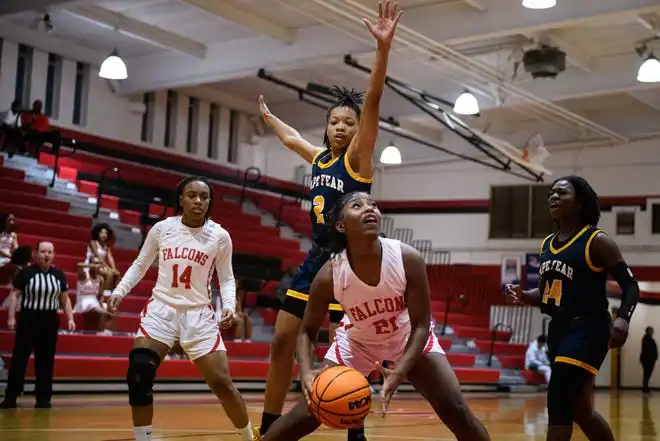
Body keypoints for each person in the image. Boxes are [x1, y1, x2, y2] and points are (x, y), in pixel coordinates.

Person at [256, 2, 402, 439]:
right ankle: (269, 425)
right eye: (334, 122)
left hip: (351, 262)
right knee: (282, 339)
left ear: (358, 130)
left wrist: (383, 51)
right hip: (316, 258)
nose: (341, 127)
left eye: (348, 123)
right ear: (327, 127)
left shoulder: (358, 161)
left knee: (349, 355)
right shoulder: (319, 157)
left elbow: (373, 98)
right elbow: (291, 138)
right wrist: (269, 118)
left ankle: (354, 430)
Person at [261, 192, 491, 441]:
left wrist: (399, 371)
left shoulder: (407, 258)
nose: (369, 209)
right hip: (357, 343)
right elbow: (307, 331)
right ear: (341, 225)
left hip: (406, 338)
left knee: (455, 411)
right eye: (357, 206)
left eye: (373, 205)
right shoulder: (329, 274)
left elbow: (422, 325)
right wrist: (306, 372)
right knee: (306, 414)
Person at [107, 176, 254, 441]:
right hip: (161, 310)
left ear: (210, 202)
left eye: (204, 197)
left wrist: (230, 306)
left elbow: (227, 278)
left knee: (222, 384)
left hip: (199, 315)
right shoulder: (162, 229)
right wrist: (119, 291)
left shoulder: (220, 236)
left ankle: (247, 436)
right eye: (192, 195)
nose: (198, 201)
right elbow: (141, 264)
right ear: (181, 199)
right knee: (139, 373)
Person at [505, 175, 640, 441]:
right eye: (551, 193)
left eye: (562, 193)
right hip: (560, 329)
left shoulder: (596, 241)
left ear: (579, 202)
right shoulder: (547, 245)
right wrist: (524, 295)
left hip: (589, 326)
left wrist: (623, 319)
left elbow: (631, 286)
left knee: (558, 398)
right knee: (581, 410)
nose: (553, 197)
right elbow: (546, 294)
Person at [0, 241, 75, 409]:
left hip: (49, 321)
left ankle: (43, 398)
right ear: (36, 254)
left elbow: (65, 299)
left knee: (46, 361)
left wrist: (70, 317)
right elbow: (14, 296)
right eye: (43, 252)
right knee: (20, 359)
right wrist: (11, 317)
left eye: (49, 252)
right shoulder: (26, 273)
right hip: (28, 318)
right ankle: (11, 397)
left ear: (53, 254)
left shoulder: (59, 275)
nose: (46, 255)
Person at [74, 258, 115, 333]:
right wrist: (92, 266)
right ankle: (101, 333)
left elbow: (100, 296)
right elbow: (79, 265)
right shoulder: (84, 275)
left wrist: (101, 305)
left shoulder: (100, 279)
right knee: (104, 313)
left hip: (94, 302)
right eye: (95, 263)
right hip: (83, 302)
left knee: (109, 310)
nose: (97, 266)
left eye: (98, 264)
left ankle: (100, 330)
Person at [86, 222, 121, 293]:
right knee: (108, 273)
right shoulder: (93, 243)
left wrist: (113, 268)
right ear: (97, 233)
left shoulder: (106, 247)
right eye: (101, 233)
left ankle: (114, 292)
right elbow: (97, 256)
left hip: (102, 266)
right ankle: (105, 292)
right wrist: (107, 267)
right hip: (92, 265)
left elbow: (110, 257)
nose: (104, 235)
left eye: (106, 233)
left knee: (117, 274)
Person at [640, 326, 657, 394]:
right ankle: (645, 388)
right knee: (647, 374)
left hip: (649, 359)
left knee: (647, 374)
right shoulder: (646, 338)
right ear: (648, 331)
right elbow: (647, 350)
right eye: (651, 330)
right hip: (647, 360)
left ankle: (645, 387)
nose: (653, 332)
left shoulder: (648, 338)